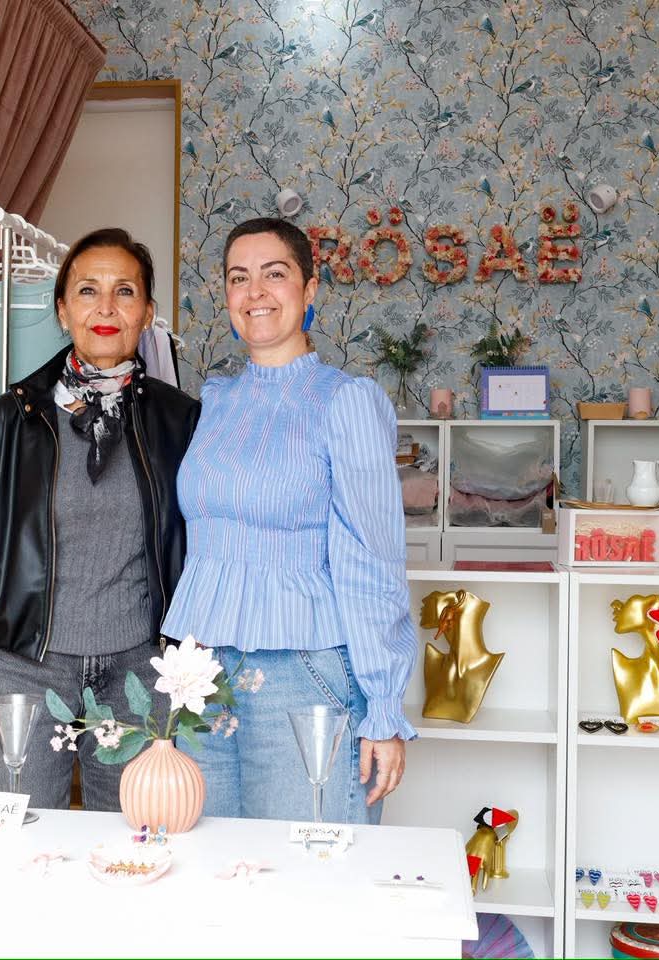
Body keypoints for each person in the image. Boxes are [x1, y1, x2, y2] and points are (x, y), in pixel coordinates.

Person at [0, 228, 200, 812]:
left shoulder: (182, 422)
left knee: (131, 841)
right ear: (62, 310)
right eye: (88, 290)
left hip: (138, 673)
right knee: (21, 838)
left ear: (148, 313)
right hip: (26, 671)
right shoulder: (6, 422)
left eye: (125, 291)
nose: (106, 308)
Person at [162, 217, 416, 824]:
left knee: (307, 867)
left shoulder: (346, 401)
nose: (255, 292)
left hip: (303, 673)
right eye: (238, 278)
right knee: (209, 861)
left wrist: (384, 706)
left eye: (274, 274)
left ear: (310, 288)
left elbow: (373, 560)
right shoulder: (215, 400)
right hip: (201, 670)